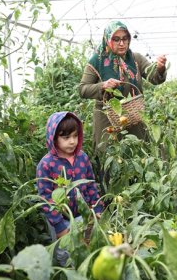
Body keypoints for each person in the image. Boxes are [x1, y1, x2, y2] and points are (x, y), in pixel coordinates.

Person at [79, 20, 167, 158]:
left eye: (125, 39)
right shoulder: (98, 61)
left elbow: (154, 77)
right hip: (107, 118)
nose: (121, 43)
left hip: (133, 116)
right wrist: (103, 85)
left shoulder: (135, 59)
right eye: (116, 39)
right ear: (108, 39)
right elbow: (83, 89)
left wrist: (160, 68)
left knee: (138, 152)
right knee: (109, 155)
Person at [36, 111, 103, 239]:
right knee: (64, 252)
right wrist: (59, 226)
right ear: (54, 138)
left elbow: (90, 185)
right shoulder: (46, 164)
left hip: (83, 216)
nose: (72, 142)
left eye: (75, 136)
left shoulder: (82, 158)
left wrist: (97, 209)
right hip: (60, 220)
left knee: (85, 245)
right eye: (66, 138)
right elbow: (46, 198)